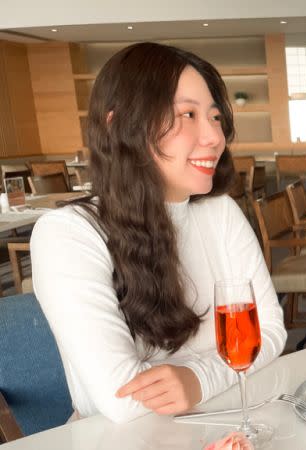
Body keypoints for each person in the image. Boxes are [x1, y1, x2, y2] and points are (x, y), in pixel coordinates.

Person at [30, 42, 287, 424]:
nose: (215, 137)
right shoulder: (69, 235)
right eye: (187, 114)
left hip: (227, 418)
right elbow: (124, 400)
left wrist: (198, 377)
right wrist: (219, 367)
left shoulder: (221, 212)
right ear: (119, 126)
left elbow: (270, 332)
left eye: (215, 117)